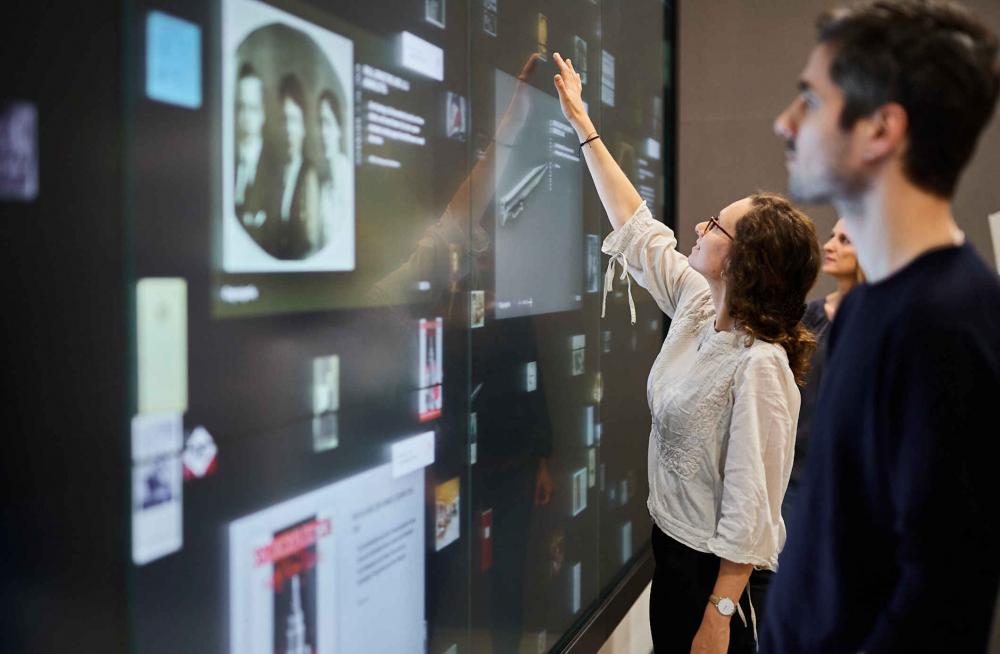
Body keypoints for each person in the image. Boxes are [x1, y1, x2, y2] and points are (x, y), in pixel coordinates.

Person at [552, 52, 821, 653]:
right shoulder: (701, 303)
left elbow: (751, 506)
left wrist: (719, 614)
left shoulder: (761, 367)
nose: (699, 231)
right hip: (670, 557)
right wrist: (583, 126)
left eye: (715, 227)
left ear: (745, 263)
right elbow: (638, 226)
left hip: (713, 584)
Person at [762, 2, 1000, 652]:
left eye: (811, 98)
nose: (784, 122)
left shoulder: (950, 325)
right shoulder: (872, 307)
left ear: (880, 130)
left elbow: (939, 602)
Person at [781, 217, 864, 531]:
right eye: (832, 236)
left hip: (852, 484)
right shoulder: (807, 317)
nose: (829, 246)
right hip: (796, 476)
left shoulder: (885, 322)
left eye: (844, 240)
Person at [260, 73, 320, 260]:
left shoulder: (309, 174)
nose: (288, 129)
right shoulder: (274, 173)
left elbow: (311, 239)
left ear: (303, 127)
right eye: (284, 120)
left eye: (294, 120)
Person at [234, 63, 270, 231]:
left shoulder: (276, 167)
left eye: (253, 108)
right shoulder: (226, 162)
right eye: (241, 107)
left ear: (263, 112)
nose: (246, 116)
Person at [317, 89, 350, 248]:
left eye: (328, 123)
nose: (323, 132)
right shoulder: (323, 184)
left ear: (338, 128)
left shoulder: (348, 178)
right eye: (320, 123)